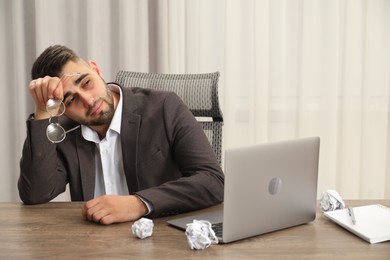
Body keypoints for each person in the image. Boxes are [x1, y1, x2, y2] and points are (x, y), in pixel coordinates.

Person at [18, 45, 224, 225]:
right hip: (92, 246)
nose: (89, 101)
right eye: (71, 100)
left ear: (96, 70)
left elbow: (213, 181)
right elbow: (36, 194)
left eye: (86, 82)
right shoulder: (63, 131)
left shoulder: (164, 107)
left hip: (161, 240)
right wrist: (43, 113)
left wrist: (139, 204)